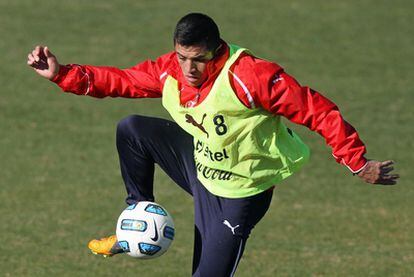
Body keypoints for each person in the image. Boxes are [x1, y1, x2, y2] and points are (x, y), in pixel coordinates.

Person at [27, 13, 398, 276]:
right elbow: (121, 80)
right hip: (200, 166)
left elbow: (316, 110)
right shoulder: (171, 69)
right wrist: (62, 74)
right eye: (182, 57)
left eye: (198, 59)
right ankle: (136, 221)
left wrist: (356, 161)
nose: (189, 68)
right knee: (133, 130)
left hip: (239, 194)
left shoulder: (252, 76)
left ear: (216, 50)